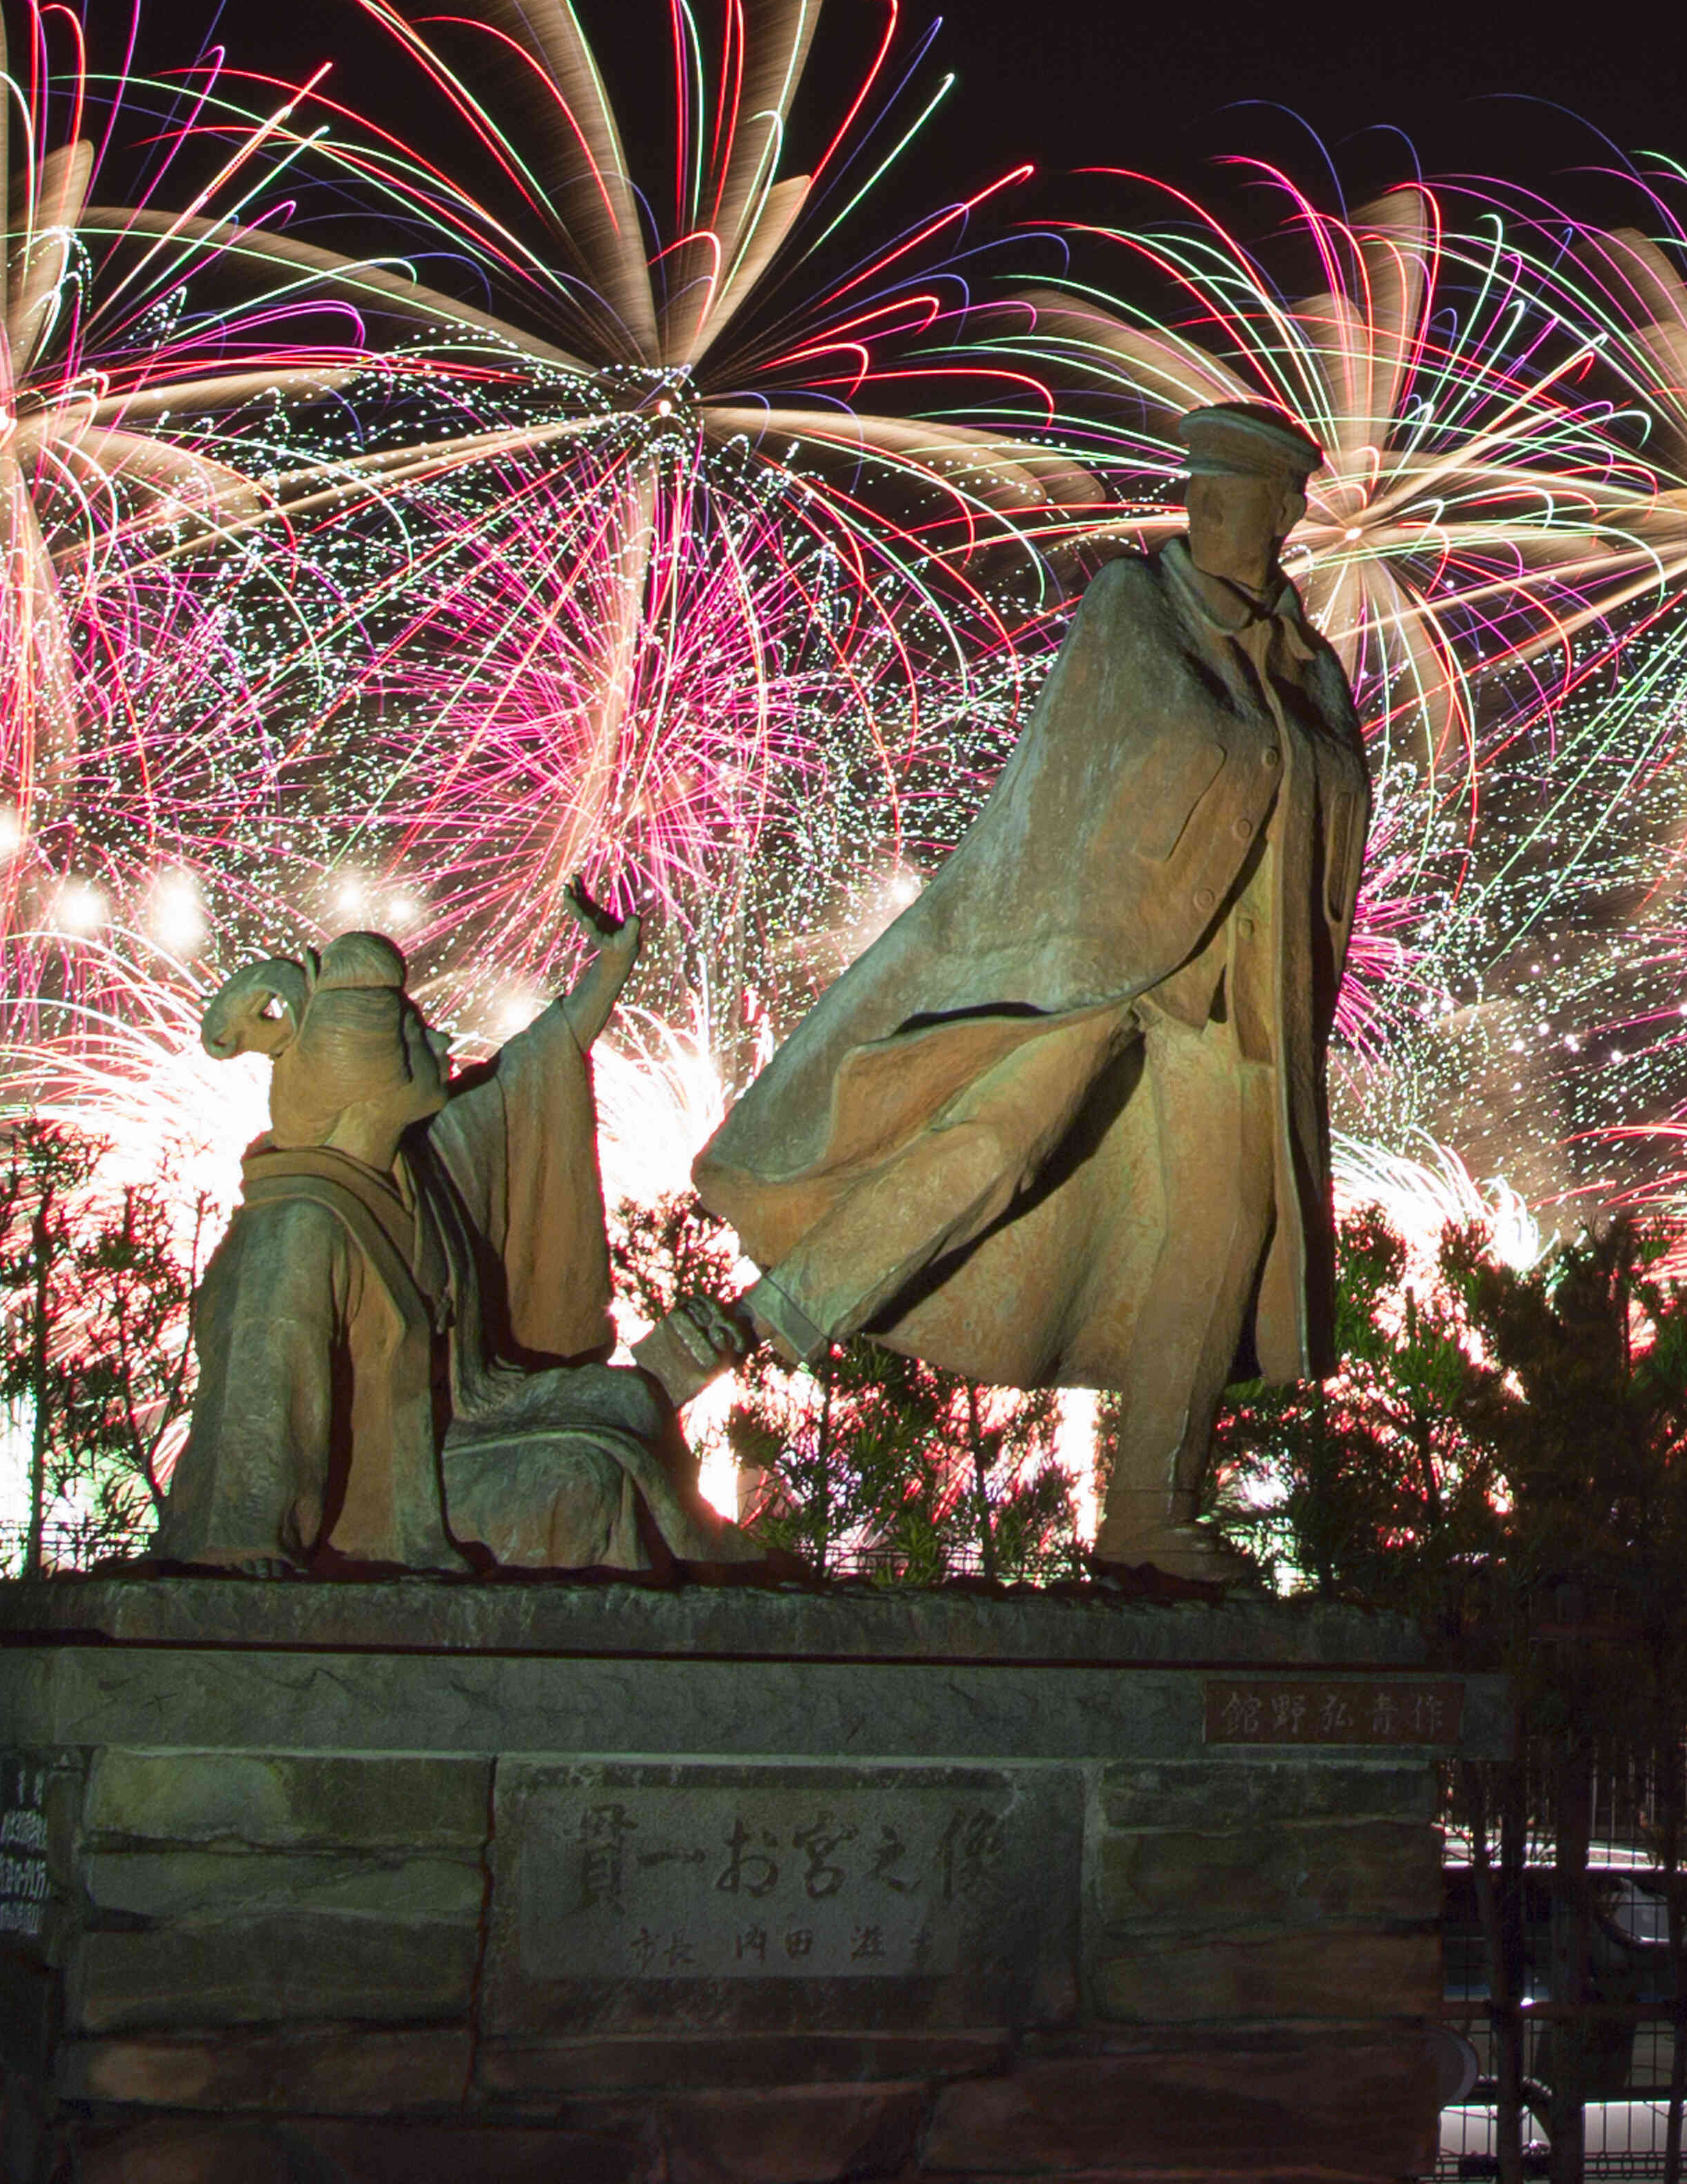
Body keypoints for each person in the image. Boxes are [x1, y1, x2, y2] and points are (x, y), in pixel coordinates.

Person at [693, 403, 1368, 1582]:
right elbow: (1128, 760)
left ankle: (1153, 1509)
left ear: (1281, 513)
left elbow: (1322, 792)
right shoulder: (1137, 613)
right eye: (1209, 493)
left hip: (1238, 1003)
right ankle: (748, 1329)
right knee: (988, 1146)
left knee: (1226, 1228)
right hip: (1109, 966)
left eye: (1247, 499)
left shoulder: (1308, 663)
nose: (1225, 517)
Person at [151, 883, 752, 1578]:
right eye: (416, 1036)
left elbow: (526, 1076)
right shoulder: (297, 1227)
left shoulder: (413, 1167)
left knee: (626, 1397)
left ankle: (713, 1567)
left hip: (472, 1420)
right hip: (388, 1493)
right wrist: (248, 1537)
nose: (441, 1040)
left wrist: (607, 972)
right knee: (581, 1484)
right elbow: (259, 1401)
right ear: (374, 1076)